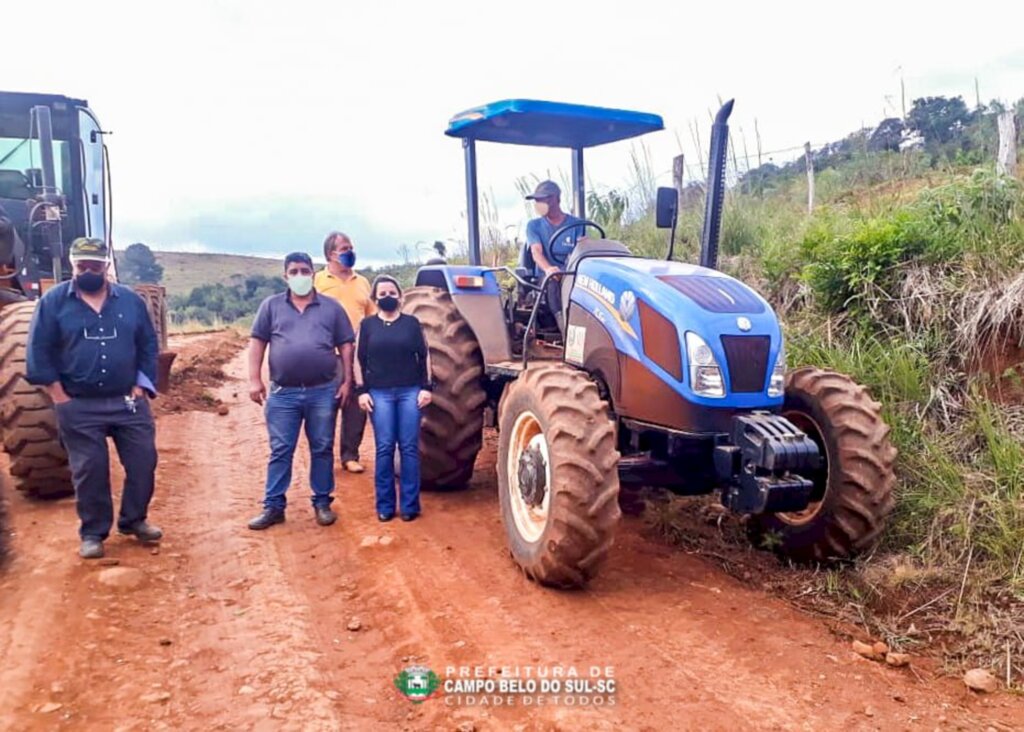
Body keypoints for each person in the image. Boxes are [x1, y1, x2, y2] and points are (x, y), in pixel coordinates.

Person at [25, 237, 160, 559]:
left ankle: (134, 520)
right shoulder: (53, 302)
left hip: (128, 401)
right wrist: (58, 396)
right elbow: (38, 350)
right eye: (81, 265)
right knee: (90, 470)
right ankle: (93, 533)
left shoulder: (130, 301)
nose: (87, 270)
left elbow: (148, 345)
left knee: (144, 462)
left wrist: (141, 385)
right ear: (72, 265)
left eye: (94, 265)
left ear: (106, 266)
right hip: (79, 405)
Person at [247, 251, 355, 530]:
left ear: (313, 273)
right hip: (284, 393)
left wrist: (347, 381)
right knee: (281, 449)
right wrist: (254, 379)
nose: (299, 276)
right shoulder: (271, 306)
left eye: (304, 271)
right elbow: (257, 343)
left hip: (323, 391)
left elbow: (346, 345)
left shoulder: (331, 308)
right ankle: (273, 506)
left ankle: (322, 502)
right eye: (293, 271)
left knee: (321, 448)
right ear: (285, 276)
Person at [355, 276, 432, 522]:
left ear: (399, 296)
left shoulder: (412, 324)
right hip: (379, 394)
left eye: (391, 292)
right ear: (375, 298)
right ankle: (385, 505)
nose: (387, 297)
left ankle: (410, 505)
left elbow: (425, 356)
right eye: (382, 293)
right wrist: (361, 391)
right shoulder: (367, 326)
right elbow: (359, 360)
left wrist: (427, 387)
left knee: (409, 448)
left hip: (410, 391)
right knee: (385, 447)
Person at [313, 232, 376, 474]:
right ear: (331, 254)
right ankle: (323, 458)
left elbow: (371, 316)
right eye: (345, 248)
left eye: (351, 247)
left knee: (356, 407)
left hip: (358, 354)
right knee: (325, 407)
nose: (351, 251)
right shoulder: (318, 281)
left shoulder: (362, 282)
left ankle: (350, 455)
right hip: (327, 354)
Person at [524, 180, 586, 332]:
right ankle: (565, 330)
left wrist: (585, 245)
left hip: (571, 274)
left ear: (555, 199)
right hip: (547, 276)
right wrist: (549, 269)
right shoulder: (534, 226)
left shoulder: (577, 224)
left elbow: (582, 250)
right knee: (552, 282)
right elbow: (536, 252)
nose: (537, 204)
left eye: (541, 199)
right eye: (536, 200)